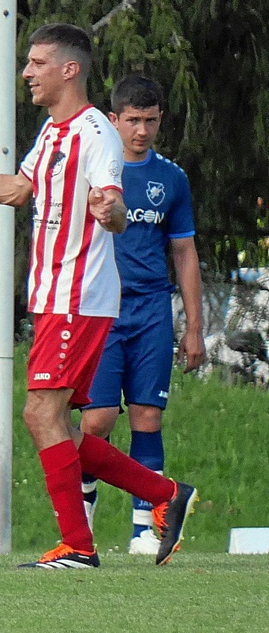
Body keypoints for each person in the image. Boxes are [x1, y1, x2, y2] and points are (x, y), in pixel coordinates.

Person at [0, 22, 197, 569]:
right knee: (51, 420)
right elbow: (14, 190)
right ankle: (163, 494)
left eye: (36, 63)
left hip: (78, 295)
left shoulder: (97, 132)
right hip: (54, 297)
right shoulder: (54, 132)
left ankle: (80, 544)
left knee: (41, 413)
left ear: (69, 69)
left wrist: (112, 211)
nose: (27, 72)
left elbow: (115, 208)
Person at [81, 75, 206, 554]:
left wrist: (194, 327)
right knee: (96, 420)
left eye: (150, 121)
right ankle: (81, 525)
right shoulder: (92, 172)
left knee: (148, 415)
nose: (141, 130)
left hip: (152, 308)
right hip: (101, 308)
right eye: (132, 120)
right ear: (113, 119)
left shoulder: (170, 178)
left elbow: (184, 251)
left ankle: (144, 530)